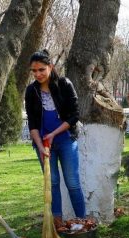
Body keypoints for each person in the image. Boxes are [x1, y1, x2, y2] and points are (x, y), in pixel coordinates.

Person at [24, 50, 86, 226]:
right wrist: (40, 146)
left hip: (66, 140)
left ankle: (83, 223)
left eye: (41, 69)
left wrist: (53, 134)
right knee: (52, 183)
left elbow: (74, 116)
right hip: (43, 144)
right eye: (34, 71)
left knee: (72, 182)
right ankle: (57, 224)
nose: (38, 74)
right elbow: (33, 124)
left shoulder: (64, 84)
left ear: (50, 67)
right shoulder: (31, 91)